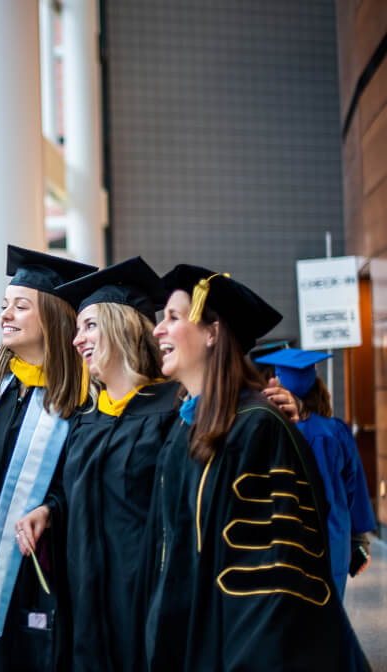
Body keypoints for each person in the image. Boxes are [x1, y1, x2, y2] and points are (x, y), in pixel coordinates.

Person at [143, 264, 368, 670]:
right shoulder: (185, 429)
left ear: (213, 332)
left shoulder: (257, 428)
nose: (158, 329)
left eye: (174, 317)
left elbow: (271, 574)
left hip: (236, 650)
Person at [14, 257, 178, 671]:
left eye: (89, 326)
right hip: (85, 595)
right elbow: (80, 490)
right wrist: (49, 510)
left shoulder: (173, 411)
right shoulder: (87, 418)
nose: (75, 340)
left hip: (142, 597)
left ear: (123, 326)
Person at [0, 245, 94, 672]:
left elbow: (77, 483)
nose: (5, 314)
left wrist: (51, 509)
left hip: (26, 572)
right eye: (4, 305)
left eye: (20, 306)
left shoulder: (80, 400)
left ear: (55, 317)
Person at [255, 347, 376, 597]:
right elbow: (355, 487)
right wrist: (359, 535)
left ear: (278, 382)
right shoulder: (336, 431)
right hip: (334, 537)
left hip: (288, 537)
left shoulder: (273, 429)